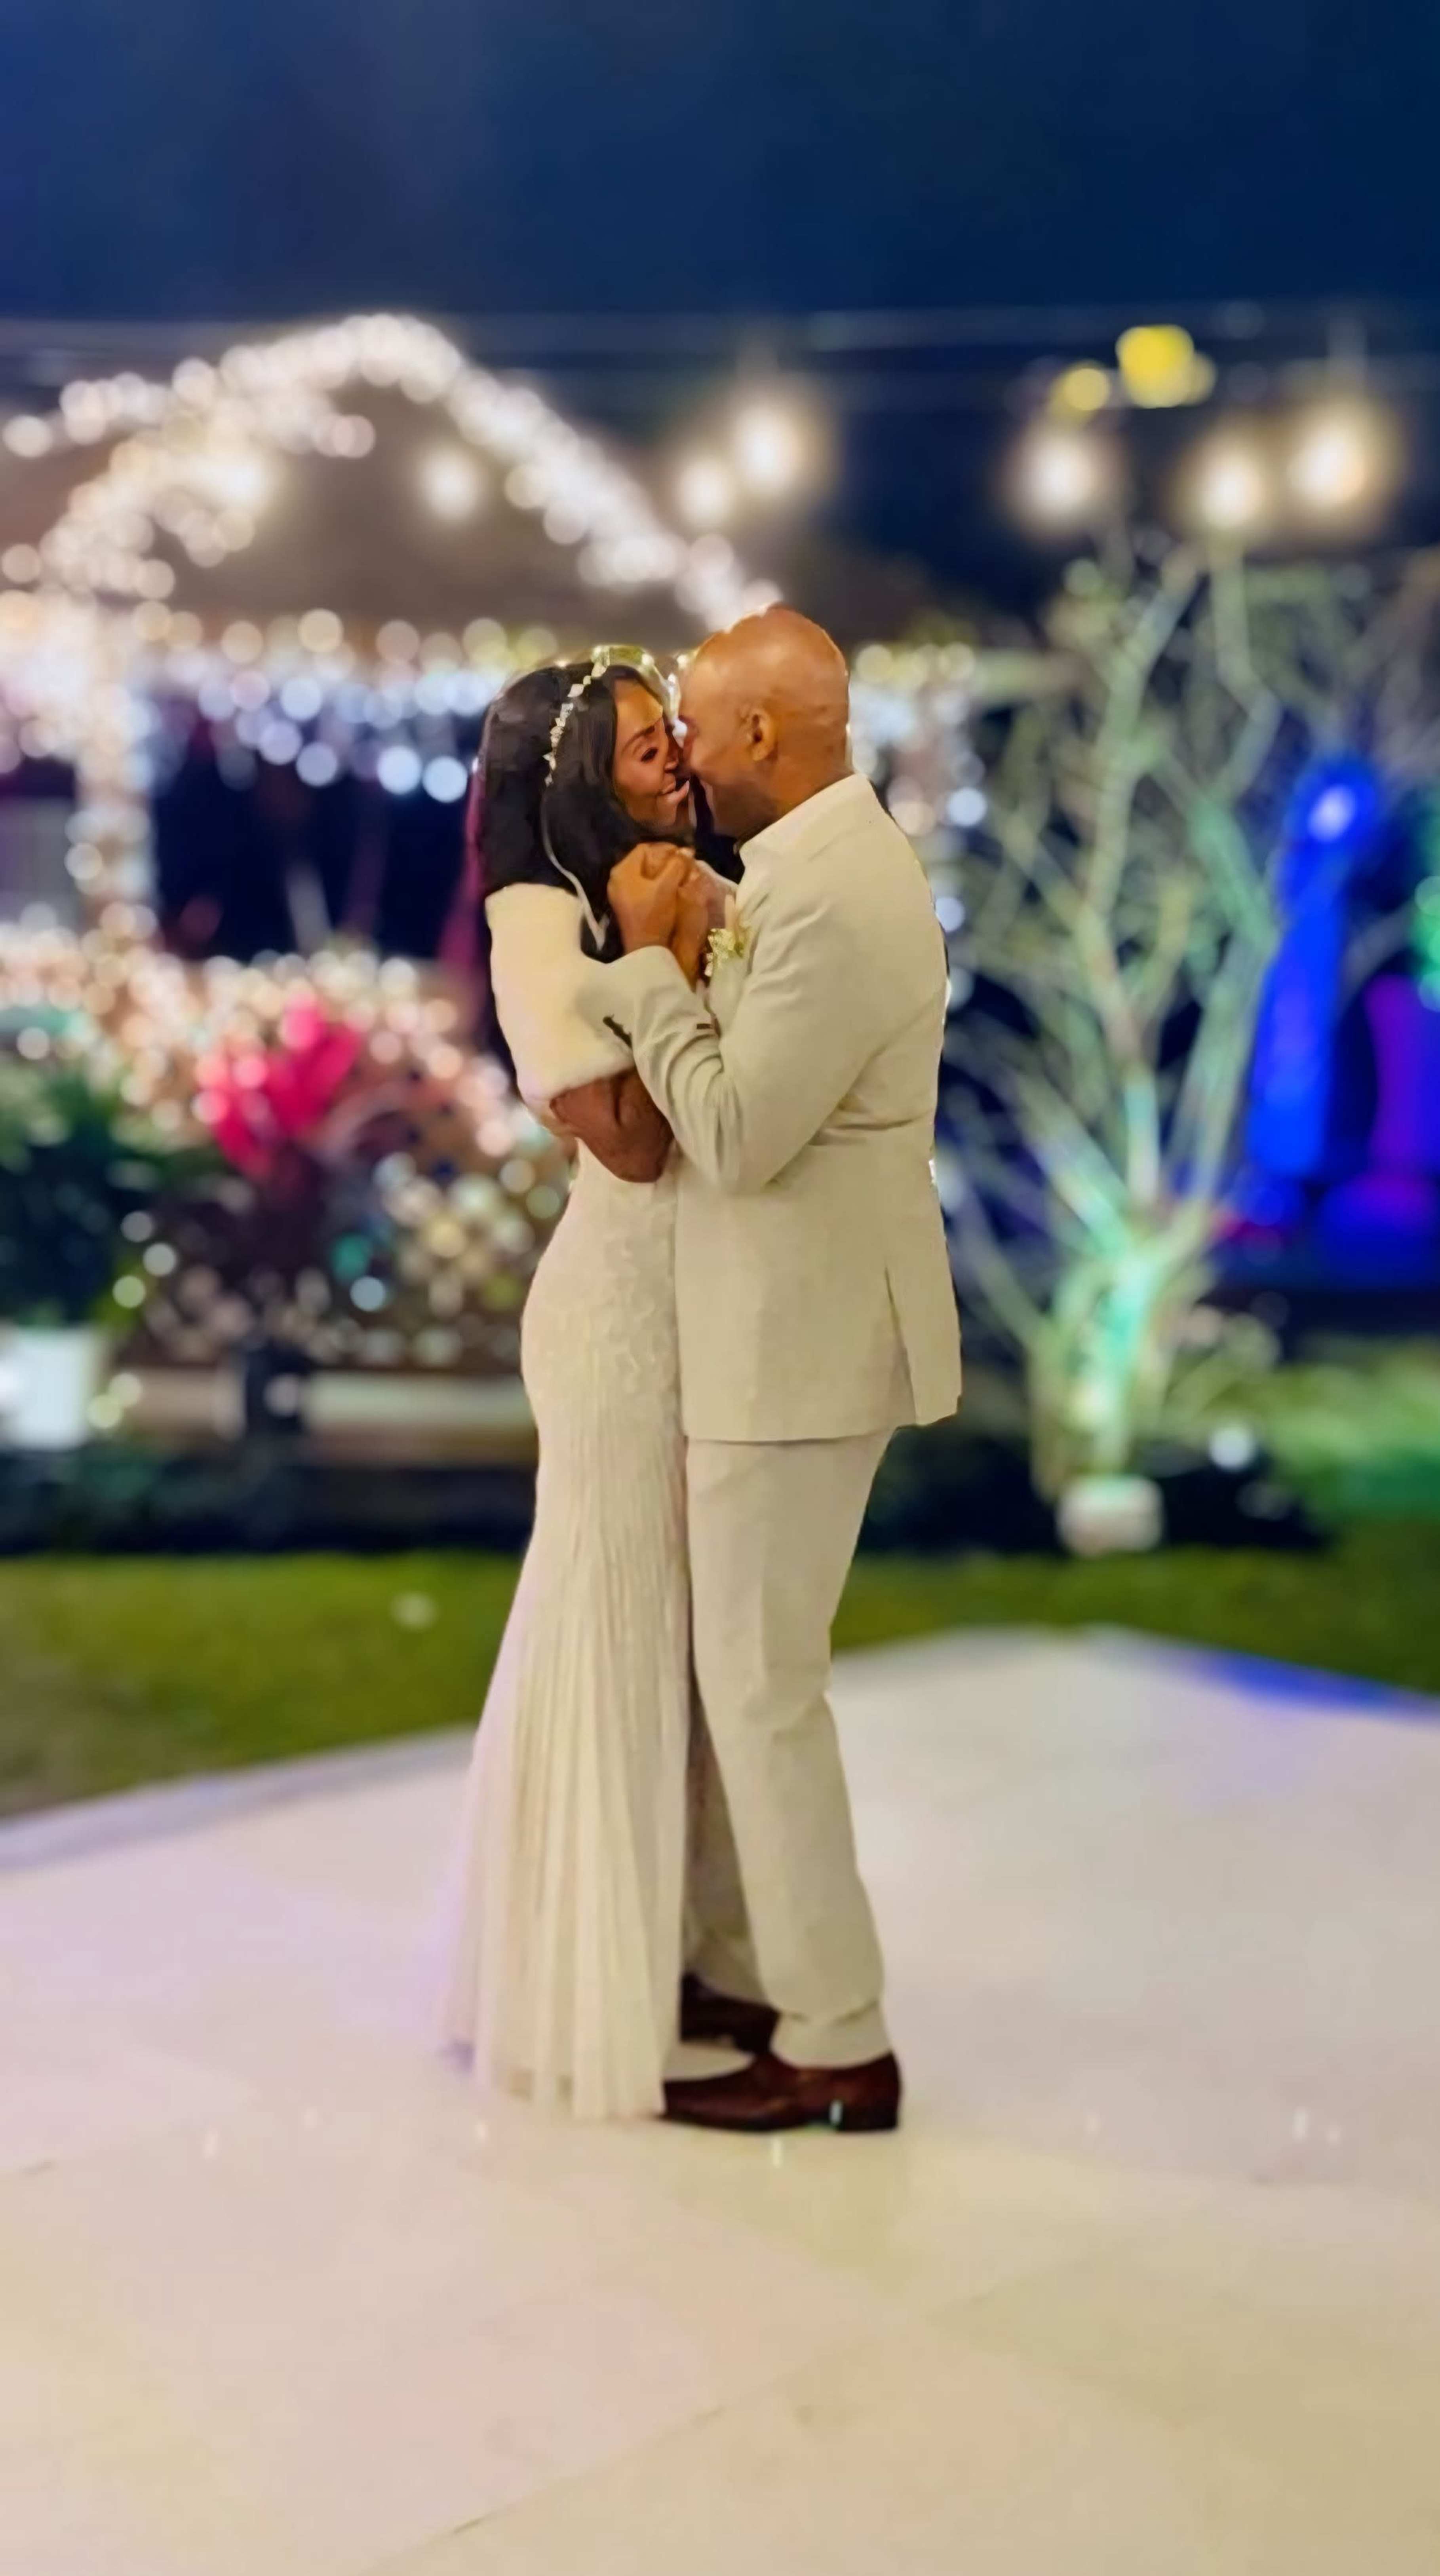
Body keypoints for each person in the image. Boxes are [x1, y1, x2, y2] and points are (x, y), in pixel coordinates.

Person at [580, 607, 962, 2135]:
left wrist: (652, 980)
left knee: (764, 1689)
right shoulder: (801, 874)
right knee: (746, 1683)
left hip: (801, 1342)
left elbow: (737, 1136)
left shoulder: (840, 897)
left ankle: (839, 2039)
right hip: (773, 1333)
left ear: (760, 738)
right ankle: (760, 1979)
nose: (677, 746)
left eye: (692, 719)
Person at [438, 648, 733, 2120]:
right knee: (608, 1625)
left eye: (669, 734)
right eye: (637, 748)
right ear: (569, 779)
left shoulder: (668, 882)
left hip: (692, 1317)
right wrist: (668, 955)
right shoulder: (538, 920)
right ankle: (577, 1979)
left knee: (668, 1641)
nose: (671, 758)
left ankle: (654, 1944)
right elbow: (629, 1139)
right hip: (615, 1318)